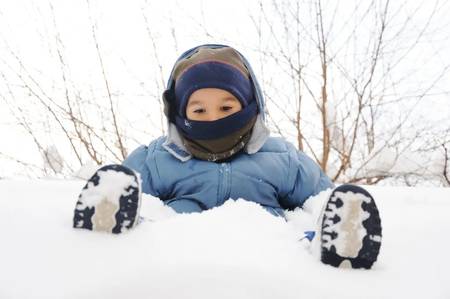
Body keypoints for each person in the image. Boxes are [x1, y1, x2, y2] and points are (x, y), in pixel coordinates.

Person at [73, 44, 382, 269]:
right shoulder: (158, 158)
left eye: (226, 108)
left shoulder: (279, 157)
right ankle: (113, 236)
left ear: (250, 107)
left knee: (296, 231)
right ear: (179, 114)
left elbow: (319, 196)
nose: (212, 119)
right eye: (199, 110)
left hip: (269, 255)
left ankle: (338, 248)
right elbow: (136, 190)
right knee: (150, 222)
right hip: (176, 254)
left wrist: (330, 212)